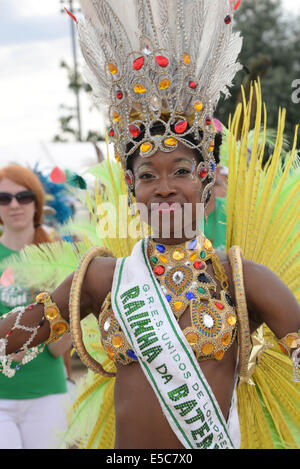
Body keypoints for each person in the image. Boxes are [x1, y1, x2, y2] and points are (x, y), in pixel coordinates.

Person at [0, 0, 300, 450]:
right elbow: (19, 331)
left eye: (180, 170)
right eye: (147, 175)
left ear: (204, 182)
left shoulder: (240, 279)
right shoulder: (102, 278)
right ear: (131, 190)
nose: (163, 187)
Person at [0, 164, 73, 449]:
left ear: (37, 203)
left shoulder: (57, 256)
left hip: (48, 393)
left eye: (24, 196)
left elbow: (59, 347)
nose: (14, 205)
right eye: (4, 198)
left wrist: (56, 327)